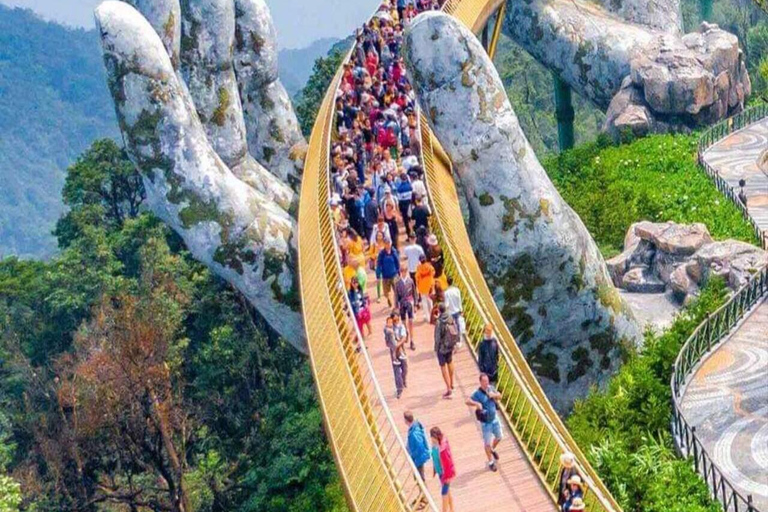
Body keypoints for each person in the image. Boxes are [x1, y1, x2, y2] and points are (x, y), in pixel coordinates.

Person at [466, 373, 503, 472]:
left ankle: (492, 449)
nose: (487, 383)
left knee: (499, 437)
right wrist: (476, 403)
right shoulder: (477, 393)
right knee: (487, 443)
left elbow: (500, 396)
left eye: (487, 381)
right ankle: (491, 462)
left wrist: (494, 395)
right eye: (485, 381)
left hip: (494, 418)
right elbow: (467, 400)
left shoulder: (491, 388)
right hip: (486, 422)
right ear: (481, 382)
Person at [434, 304, 459, 398]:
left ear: (439, 311)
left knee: (443, 367)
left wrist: (436, 348)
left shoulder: (439, 322)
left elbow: (437, 337)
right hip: (450, 345)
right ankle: (452, 383)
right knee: (450, 362)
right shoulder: (450, 317)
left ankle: (448, 388)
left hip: (442, 347)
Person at [429, 427, 455, 512]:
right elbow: (434, 458)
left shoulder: (441, 449)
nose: (432, 440)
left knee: (444, 493)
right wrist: (434, 469)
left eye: (433, 438)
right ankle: (452, 509)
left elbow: (447, 462)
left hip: (445, 474)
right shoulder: (434, 445)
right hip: (440, 473)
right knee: (447, 492)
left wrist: (447, 477)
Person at [404, 411, 431, 483]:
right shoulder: (414, 428)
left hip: (418, 458)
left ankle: (424, 492)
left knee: (419, 478)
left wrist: (413, 454)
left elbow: (419, 446)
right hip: (418, 457)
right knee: (418, 476)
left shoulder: (414, 432)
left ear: (406, 420)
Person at [394, 264, 417, 349]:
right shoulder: (397, 283)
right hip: (402, 304)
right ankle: (406, 333)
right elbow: (396, 296)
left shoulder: (410, 281)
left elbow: (414, 293)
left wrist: (415, 304)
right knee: (403, 322)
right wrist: (396, 306)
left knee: (410, 322)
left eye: (405, 271)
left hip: (409, 302)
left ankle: (412, 340)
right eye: (402, 271)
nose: (403, 273)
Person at [403, 234, 425, 305]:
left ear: (409, 239)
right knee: (420, 283)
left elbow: (405, 256)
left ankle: (416, 299)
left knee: (414, 285)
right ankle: (420, 296)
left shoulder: (407, 249)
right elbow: (422, 257)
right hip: (418, 268)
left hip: (411, 268)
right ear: (415, 239)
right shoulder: (419, 248)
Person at [377, 240, 400, 307]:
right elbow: (379, 264)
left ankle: (397, 303)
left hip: (394, 274)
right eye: (386, 243)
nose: (387, 245)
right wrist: (378, 274)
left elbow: (397, 262)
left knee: (397, 290)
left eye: (388, 243)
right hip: (385, 276)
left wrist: (398, 271)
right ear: (384, 244)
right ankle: (389, 298)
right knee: (386, 292)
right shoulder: (382, 253)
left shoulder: (394, 251)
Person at [392, 313, 409, 397]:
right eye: (394, 321)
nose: (396, 322)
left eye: (397, 320)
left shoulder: (401, 327)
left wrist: (397, 345)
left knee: (405, 368)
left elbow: (404, 338)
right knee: (396, 371)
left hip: (401, 350)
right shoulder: (389, 329)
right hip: (394, 352)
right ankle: (399, 388)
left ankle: (404, 379)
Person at [415, 254, 435, 322]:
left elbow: (417, 277)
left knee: (424, 301)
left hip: (422, 287)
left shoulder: (418, 268)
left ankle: (427, 317)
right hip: (429, 286)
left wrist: (418, 285)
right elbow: (433, 273)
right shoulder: (429, 266)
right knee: (430, 300)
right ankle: (433, 314)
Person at [443, 276, 463, 343]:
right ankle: (459, 339)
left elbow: (446, 304)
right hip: (457, 311)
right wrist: (461, 309)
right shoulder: (457, 290)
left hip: (450, 312)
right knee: (458, 325)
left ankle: (453, 339)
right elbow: (459, 300)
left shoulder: (446, 293)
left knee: (451, 327)